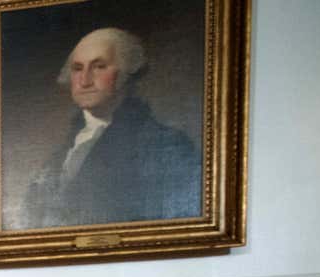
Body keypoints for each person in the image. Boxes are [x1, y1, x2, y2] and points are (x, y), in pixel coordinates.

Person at [21, 27, 201, 229]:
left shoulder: (166, 144)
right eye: (78, 68)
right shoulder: (60, 155)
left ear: (126, 73)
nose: (85, 81)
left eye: (99, 66)